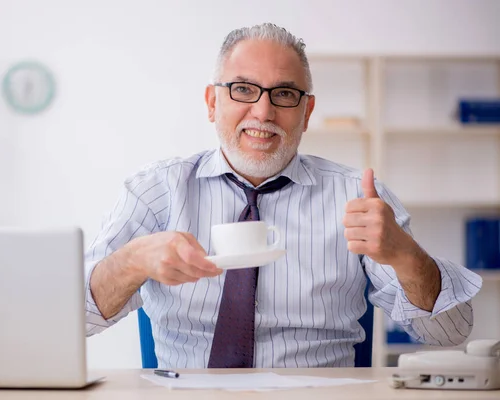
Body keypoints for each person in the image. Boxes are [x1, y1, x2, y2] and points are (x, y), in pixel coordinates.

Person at [84, 23, 482, 368]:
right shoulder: (157, 192)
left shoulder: (359, 198)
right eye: (243, 89)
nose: (263, 112)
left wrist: (406, 256)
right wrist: (133, 260)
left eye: (285, 94)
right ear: (212, 103)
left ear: (306, 112)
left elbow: (450, 331)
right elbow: (75, 320)